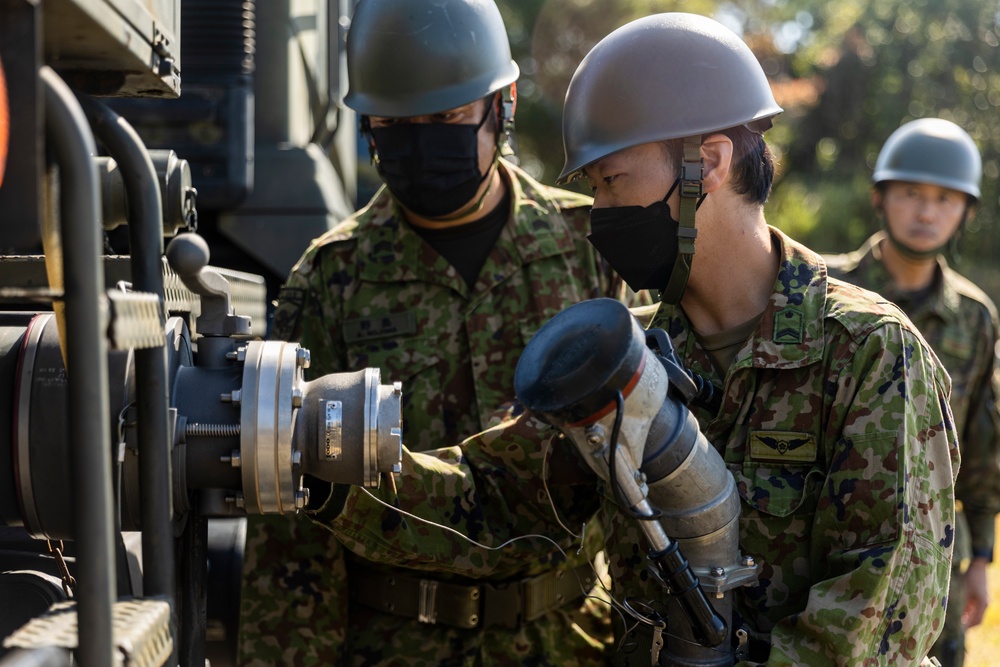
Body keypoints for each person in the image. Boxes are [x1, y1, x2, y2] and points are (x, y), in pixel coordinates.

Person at [307, 12, 961, 665]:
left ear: (707, 162)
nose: (599, 216)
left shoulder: (870, 354)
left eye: (612, 182)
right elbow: (496, 500)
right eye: (592, 190)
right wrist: (322, 456)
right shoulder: (624, 359)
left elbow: (878, 619)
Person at [237, 0, 630, 664]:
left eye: (447, 119)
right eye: (396, 124)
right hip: (394, 642)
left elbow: (636, 461)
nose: (423, 143)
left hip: (568, 640)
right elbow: (292, 534)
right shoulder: (331, 278)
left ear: (502, 103)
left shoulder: (590, 243)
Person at [825, 117, 1000, 667]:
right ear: (880, 199)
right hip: (829, 548)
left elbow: (980, 447)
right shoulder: (822, 293)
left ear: (967, 211)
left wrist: (981, 560)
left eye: (946, 199)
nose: (927, 212)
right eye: (911, 193)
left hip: (936, 560)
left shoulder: (974, 318)